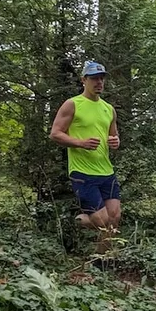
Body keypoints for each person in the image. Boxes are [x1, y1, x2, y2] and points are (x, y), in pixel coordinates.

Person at [50, 61, 121, 251]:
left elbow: (114, 136)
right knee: (103, 220)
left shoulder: (109, 109)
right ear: (84, 80)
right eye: (94, 78)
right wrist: (80, 143)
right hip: (82, 171)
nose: (99, 82)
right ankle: (77, 221)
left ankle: (101, 262)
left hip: (106, 170)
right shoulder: (73, 104)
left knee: (114, 218)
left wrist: (115, 142)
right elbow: (55, 133)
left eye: (102, 79)